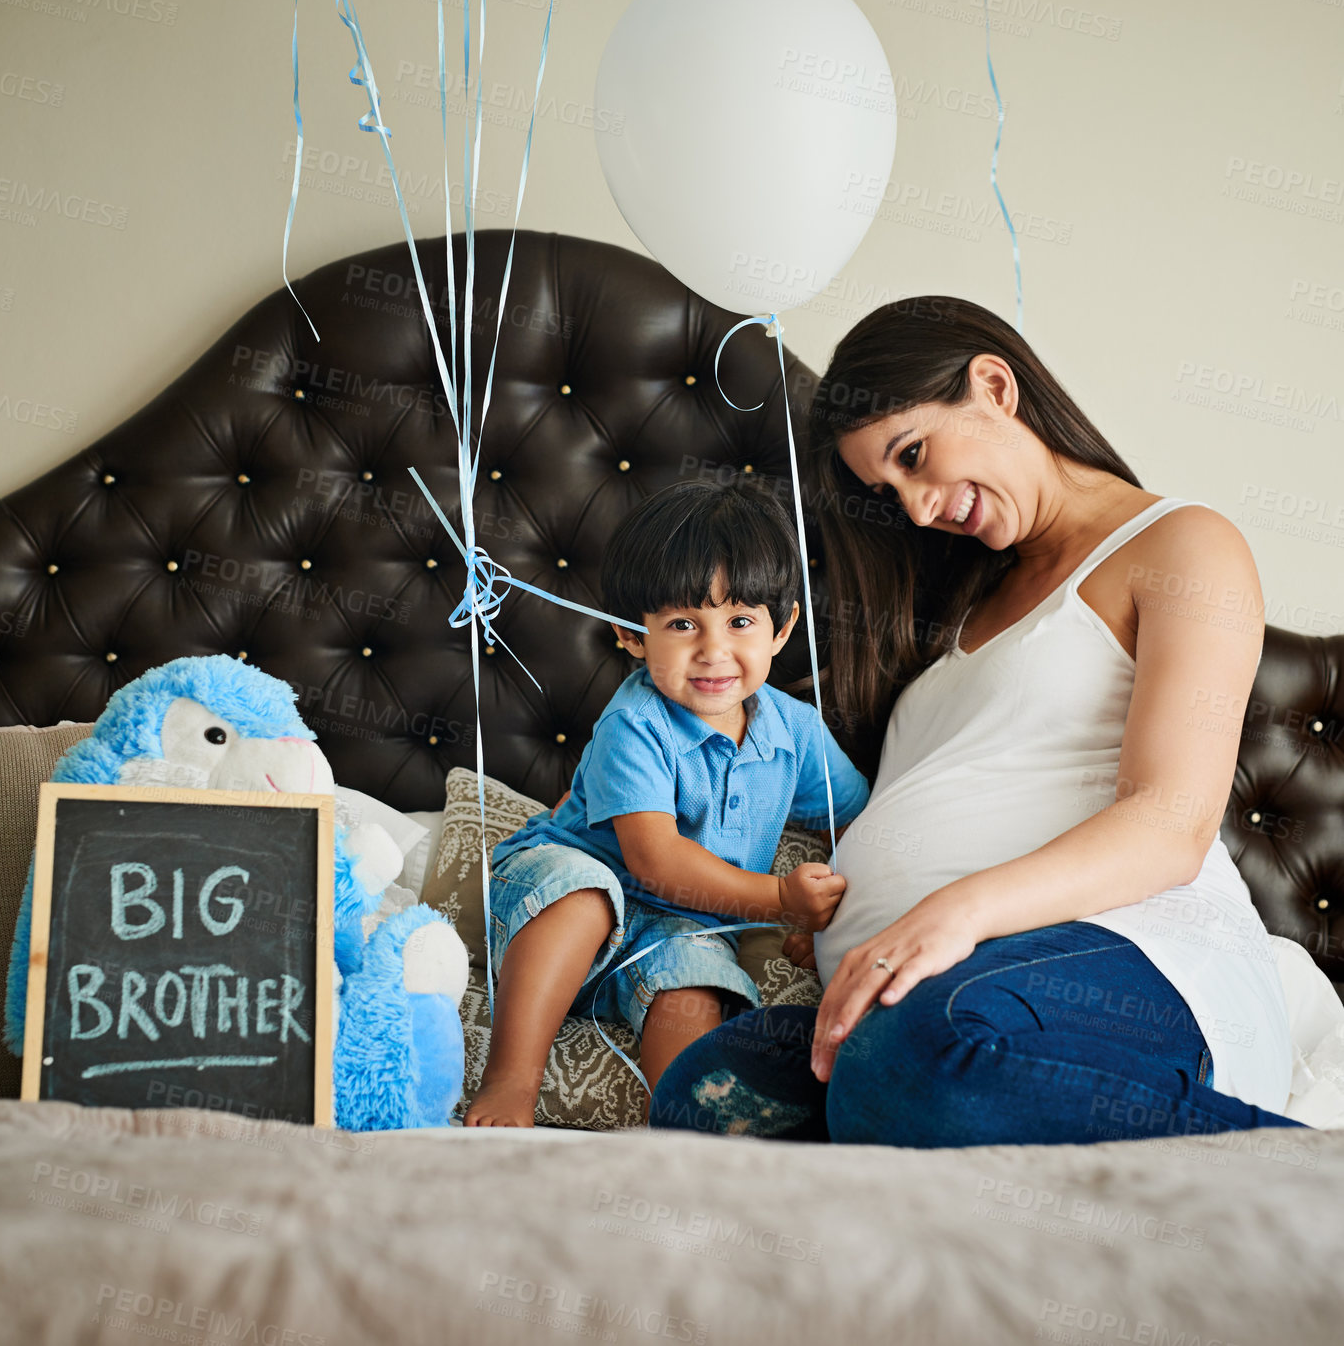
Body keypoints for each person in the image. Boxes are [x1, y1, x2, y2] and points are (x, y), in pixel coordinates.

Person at [650, 295, 1305, 1146]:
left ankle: (1295, 1173)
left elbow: (1170, 824)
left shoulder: (1179, 544)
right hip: (942, 991)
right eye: (890, 490)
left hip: (1130, 955)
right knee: (706, 1092)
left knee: (923, 1059)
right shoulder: (962, 605)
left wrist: (951, 913)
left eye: (913, 456)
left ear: (993, 386)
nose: (917, 509)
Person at [463, 477, 871, 1127]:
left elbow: (853, 819)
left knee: (698, 971)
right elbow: (653, 861)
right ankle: (512, 1078)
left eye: (740, 621)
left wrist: (829, 919)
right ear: (631, 637)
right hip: (561, 897)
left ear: (782, 627)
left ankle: (679, 1129)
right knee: (582, 890)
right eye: (682, 624)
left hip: (683, 925)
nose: (713, 651)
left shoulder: (794, 732)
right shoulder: (637, 724)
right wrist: (778, 901)